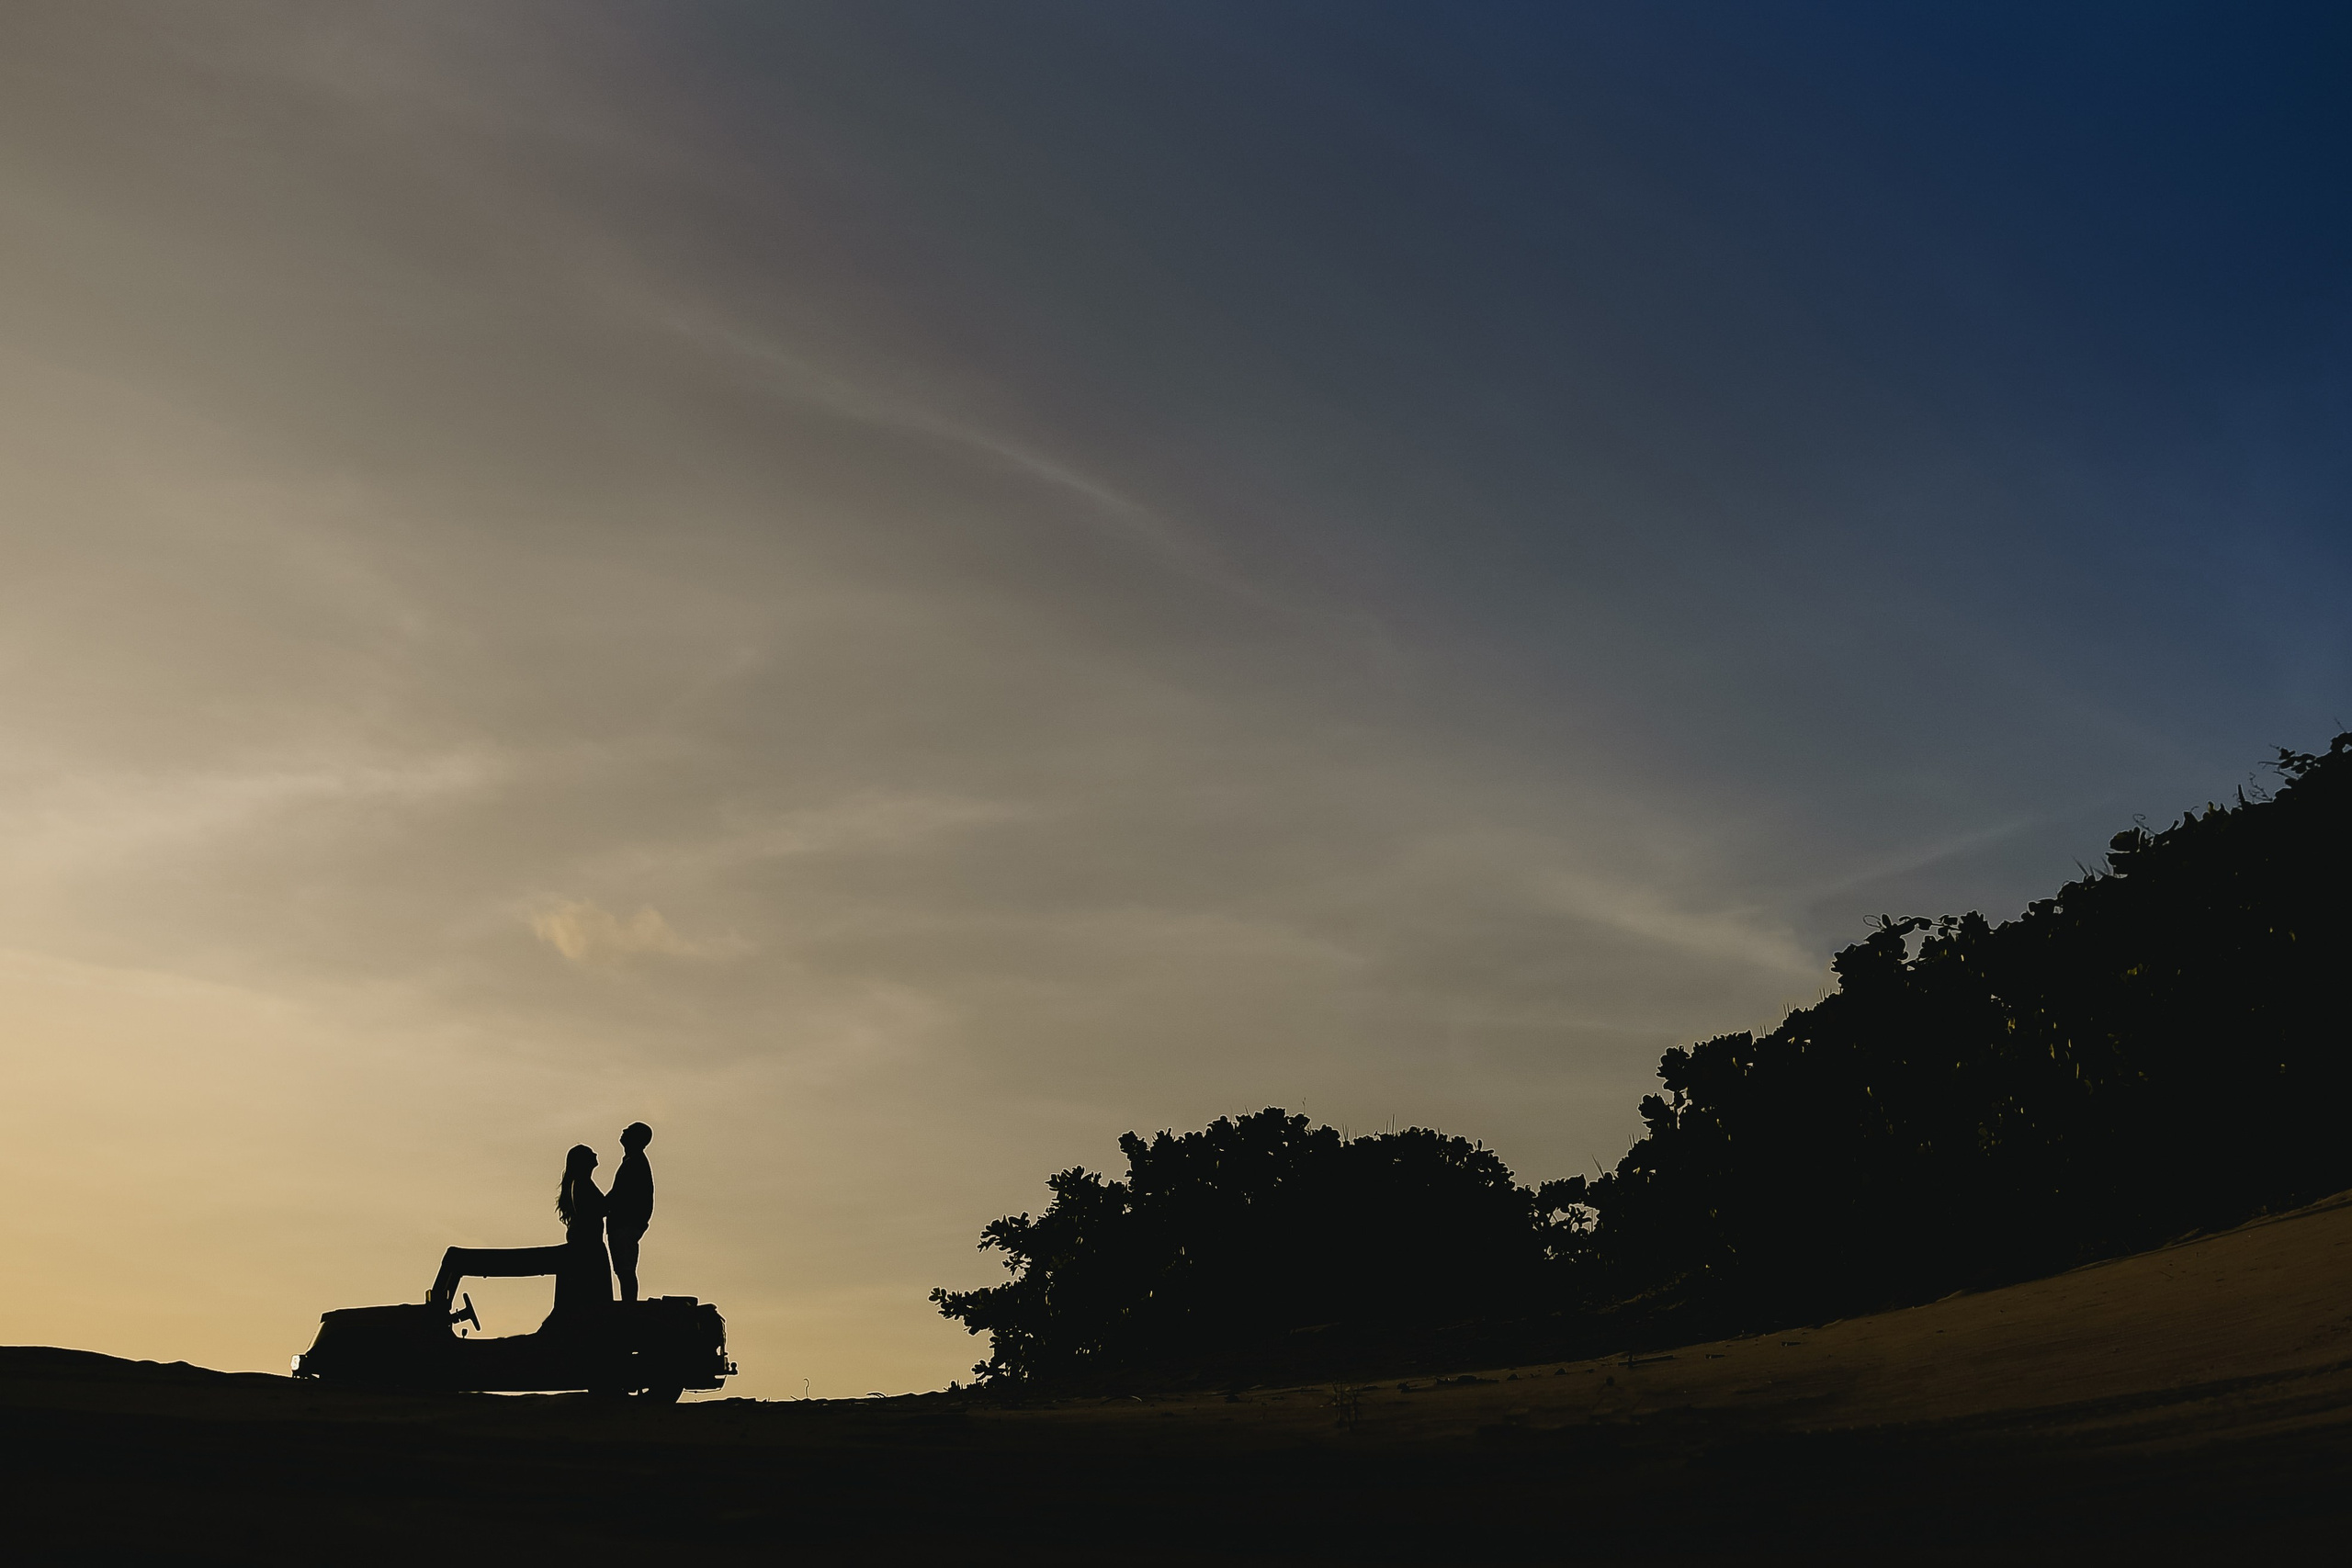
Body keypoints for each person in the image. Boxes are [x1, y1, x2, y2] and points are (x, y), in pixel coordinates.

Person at [550, 1142, 614, 1324]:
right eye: (590, 1153)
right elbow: (600, 1208)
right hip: (588, 1245)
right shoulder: (582, 1183)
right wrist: (617, 1193)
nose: (595, 1154)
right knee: (593, 1292)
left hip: (585, 1242)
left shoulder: (580, 1183)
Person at [608, 1122, 655, 1303]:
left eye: (629, 1130)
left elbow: (619, 1193)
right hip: (626, 1223)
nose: (623, 1130)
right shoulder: (633, 1161)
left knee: (625, 1269)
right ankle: (629, 1304)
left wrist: (599, 1207)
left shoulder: (634, 1162)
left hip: (625, 1224)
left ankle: (629, 1305)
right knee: (623, 1268)